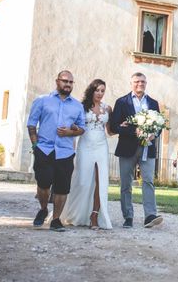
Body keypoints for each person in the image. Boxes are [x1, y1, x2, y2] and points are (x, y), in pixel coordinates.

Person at [27, 70, 85, 232]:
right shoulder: (42, 101)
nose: (68, 84)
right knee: (43, 182)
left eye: (71, 82)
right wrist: (35, 146)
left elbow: (82, 128)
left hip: (66, 152)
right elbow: (32, 124)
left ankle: (56, 219)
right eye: (65, 81)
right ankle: (43, 208)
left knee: (62, 187)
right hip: (44, 149)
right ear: (57, 81)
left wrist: (70, 132)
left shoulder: (77, 106)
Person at [109, 72, 163, 229]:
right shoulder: (121, 102)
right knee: (126, 183)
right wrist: (133, 131)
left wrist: (154, 134)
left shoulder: (153, 103)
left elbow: (159, 125)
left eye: (143, 81)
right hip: (127, 148)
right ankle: (128, 216)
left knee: (148, 181)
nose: (140, 84)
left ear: (146, 83)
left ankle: (150, 215)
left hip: (148, 148)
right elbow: (114, 127)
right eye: (137, 81)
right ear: (131, 83)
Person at [60, 79, 113, 230]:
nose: (100, 93)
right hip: (85, 145)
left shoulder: (107, 108)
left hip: (101, 146)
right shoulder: (81, 107)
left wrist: (123, 127)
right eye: (97, 90)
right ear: (92, 90)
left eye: (103, 91)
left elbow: (109, 130)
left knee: (100, 181)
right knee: (82, 181)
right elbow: (75, 126)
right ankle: (73, 212)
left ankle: (94, 215)